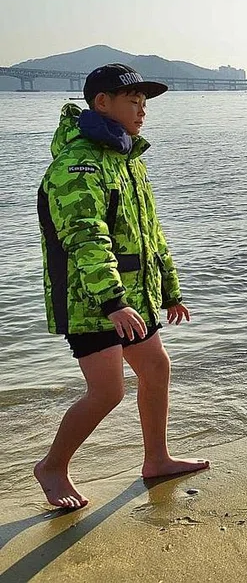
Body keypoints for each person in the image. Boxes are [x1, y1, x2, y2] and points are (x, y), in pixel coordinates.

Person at [35, 64, 208, 509]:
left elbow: (150, 234)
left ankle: (156, 459)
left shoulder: (127, 161)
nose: (142, 111)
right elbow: (84, 237)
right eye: (133, 101)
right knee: (107, 392)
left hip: (131, 297)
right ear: (101, 103)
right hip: (90, 300)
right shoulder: (78, 164)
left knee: (156, 369)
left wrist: (170, 290)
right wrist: (112, 300)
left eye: (144, 103)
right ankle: (51, 467)